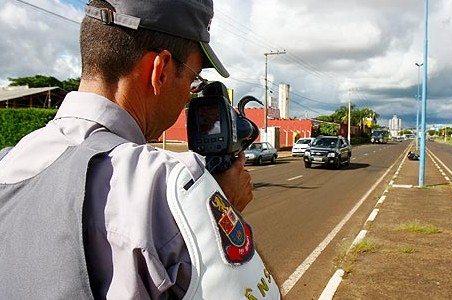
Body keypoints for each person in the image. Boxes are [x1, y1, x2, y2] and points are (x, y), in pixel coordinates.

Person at [0, 0, 281, 299]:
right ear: (159, 71)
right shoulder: (170, 186)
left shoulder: (8, 160)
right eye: (192, 78)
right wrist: (222, 209)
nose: (189, 94)